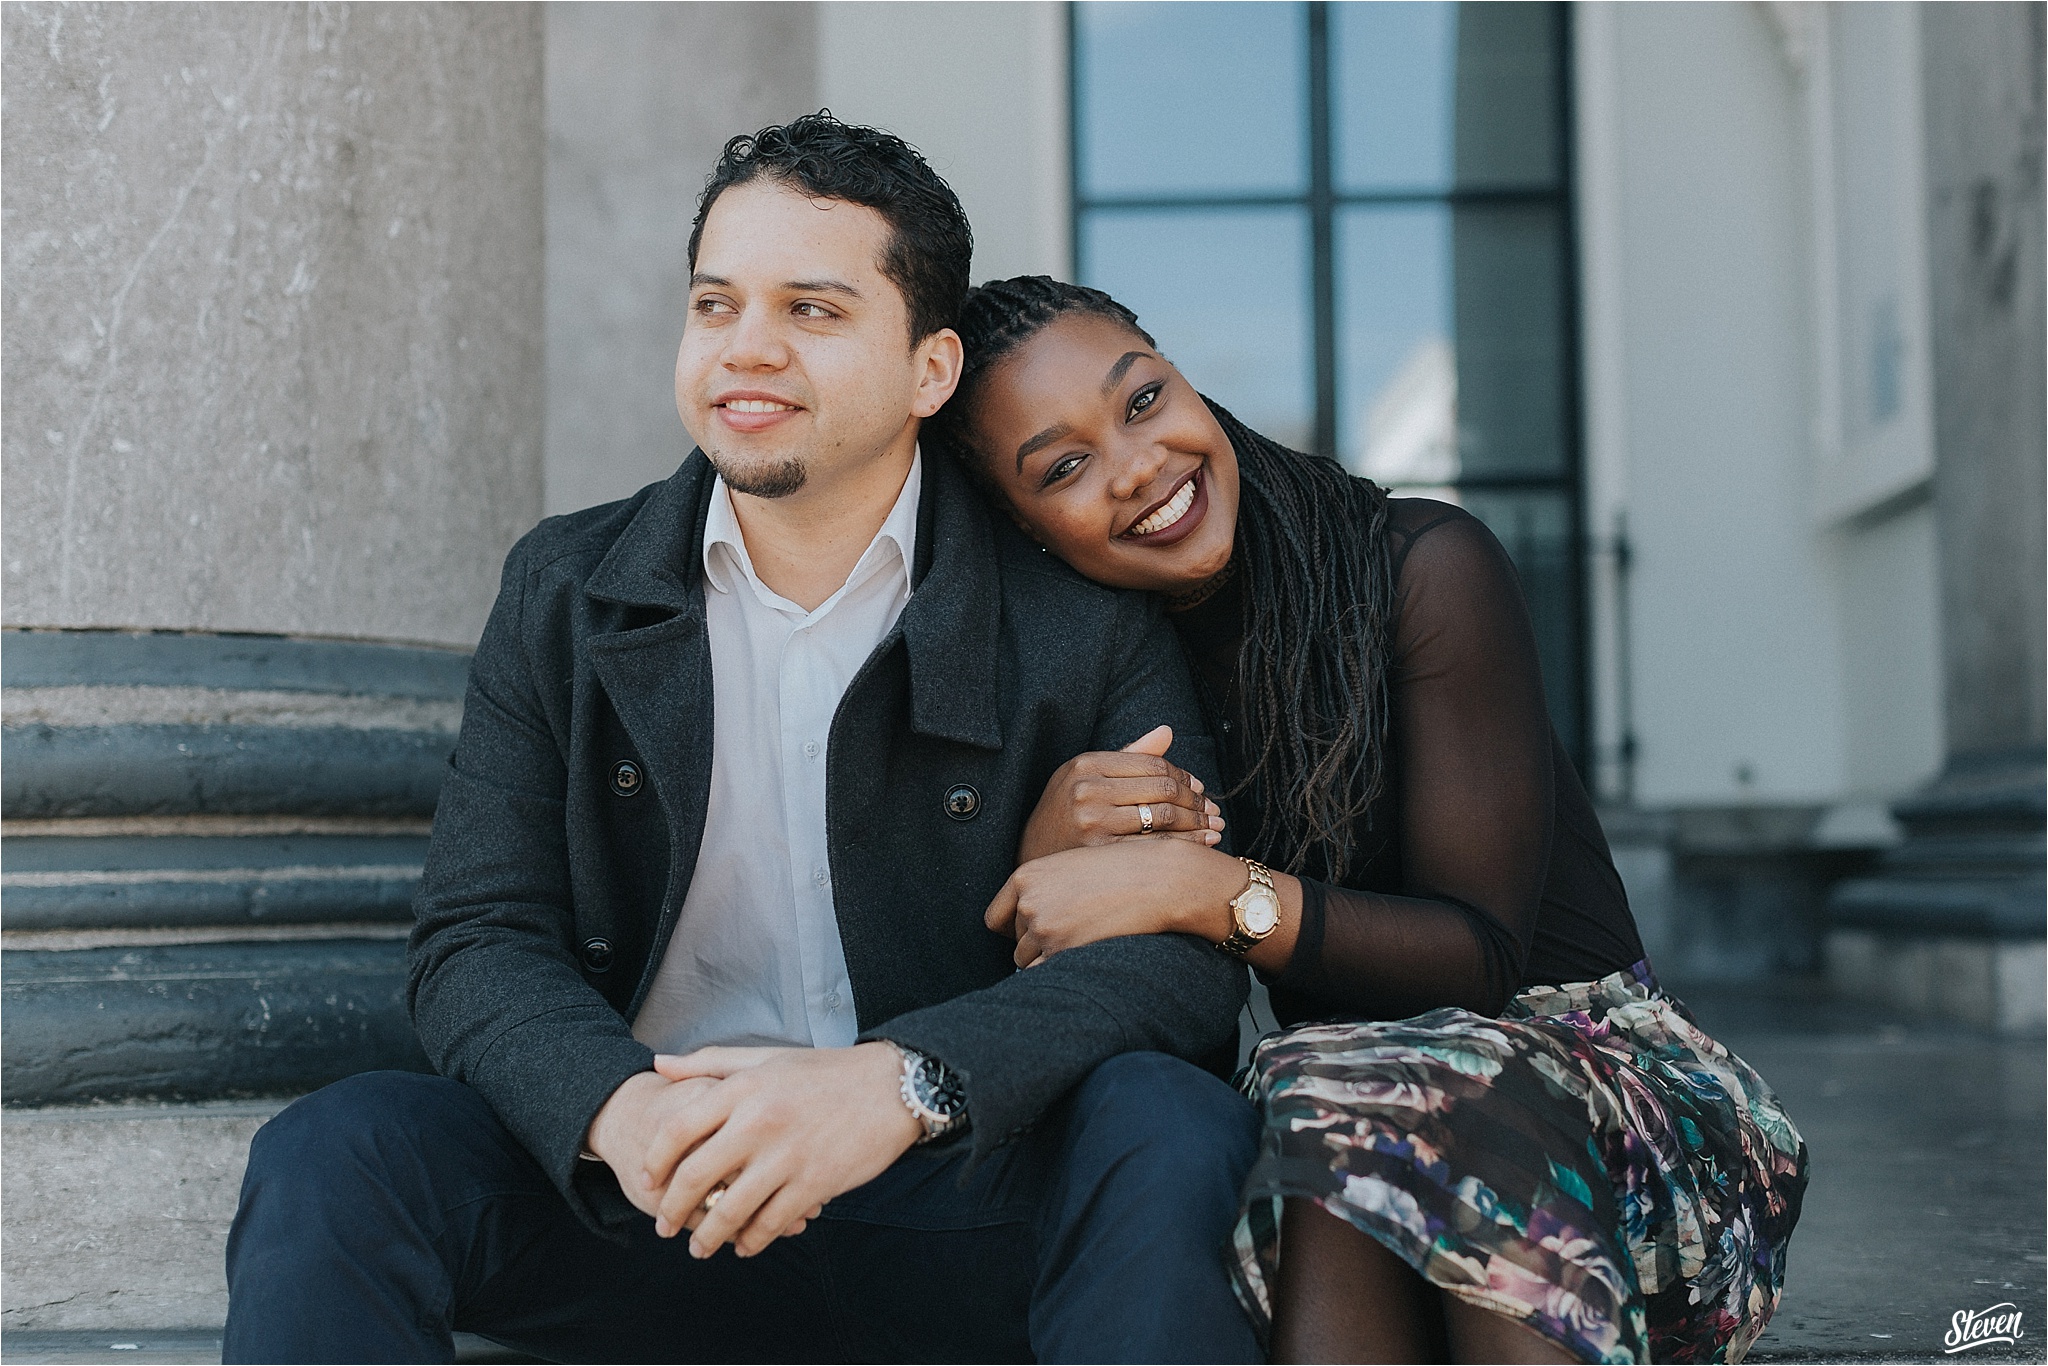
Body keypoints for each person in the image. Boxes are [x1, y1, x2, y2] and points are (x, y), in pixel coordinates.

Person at [222, 120, 1264, 1365]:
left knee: (1167, 1121)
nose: (746, 349)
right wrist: (617, 1109)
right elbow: (475, 935)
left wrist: (903, 1084)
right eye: (716, 304)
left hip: (951, 1188)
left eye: (811, 310)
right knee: (337, 1152)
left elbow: (1176, 973)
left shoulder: (1076, 623)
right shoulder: (564, 587)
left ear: (929, 369)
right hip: (646, 1196)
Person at [934, 276, 1810, 1366]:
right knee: (1329, 1100)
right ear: (1022, 532)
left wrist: (1209, 892)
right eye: (1062, 467)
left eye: (1143, 399)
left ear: (1182, 379)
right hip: (1357, 1126)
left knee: (1372, 1087)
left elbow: (1478, 960)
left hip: (1624, 1123)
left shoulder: (1419, 567)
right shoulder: (1107, 688)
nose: (1138, 465)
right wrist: (1048, 849)